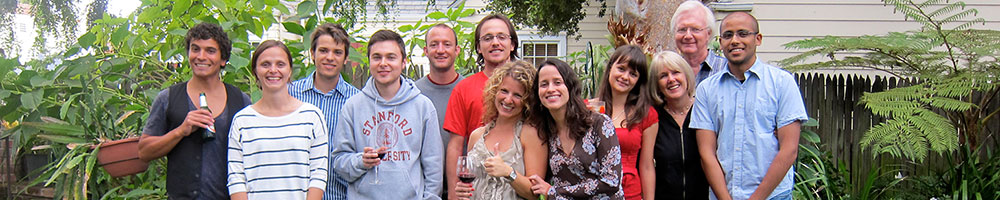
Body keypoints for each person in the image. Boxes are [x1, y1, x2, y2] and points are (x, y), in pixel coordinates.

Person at [691, 12, 808, 200]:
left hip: (774, 196)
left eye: (743, 33)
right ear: (721, 43)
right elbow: (706, 153)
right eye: (728, 35)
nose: (735, 40)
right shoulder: (707, 90)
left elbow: (789, 150)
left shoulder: (782, 83)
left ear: (758, 39)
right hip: (724, 195)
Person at [137, 22, 252, 199]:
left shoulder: (241, 101)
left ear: (223, 59)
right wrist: (180, 131)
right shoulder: (168, 98)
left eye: (210, 51)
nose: (201, 56)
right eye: (195, 49)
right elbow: (144, 152)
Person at [331, 30, 443, 200]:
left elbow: (433, 166)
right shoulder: (353, 106)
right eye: (377, 57)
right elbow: (339, 161)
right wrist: (361, 161)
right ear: (369, 62)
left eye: (391, 57)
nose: (383, 63)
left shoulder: (423, 106)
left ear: (403, 62)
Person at [227, 40, 328, 200]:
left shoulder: (312, 116)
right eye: (265, 64)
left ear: (289, 71)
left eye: (280, 64)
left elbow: (318, 175)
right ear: (255, 71)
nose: (273, 70)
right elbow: (236, 179)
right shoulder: (242, 121)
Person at [445, 14, 520, 200]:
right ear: (479, 47)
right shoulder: (463, 89)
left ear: (512, 44)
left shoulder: (529, 86)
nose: (495, 42)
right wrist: (455, 193)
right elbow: (455, 146)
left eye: (502, 37)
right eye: (488, 38)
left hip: (519, 184)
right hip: (479, 187)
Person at [527, 58, 624, 200]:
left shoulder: (599, 124)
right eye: (544, 84)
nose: (551, 89)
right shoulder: (544, 132)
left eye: (557, 82)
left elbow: (611, 181)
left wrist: (555, 192)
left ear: (570, 87)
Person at [453, 60, 547, 200]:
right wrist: (462, 191)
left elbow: (535, 194)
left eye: (517, 95)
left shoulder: (531, 135)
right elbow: (469, 184)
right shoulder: (477, 136)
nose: (508, 100)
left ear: (528, 101)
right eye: (504, 91)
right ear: (494, 91)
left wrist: (509, 172)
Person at [288, 22, 361, 200]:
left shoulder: (357, 101)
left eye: (337, 52)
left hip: (341, 195)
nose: (330, 57)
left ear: (345, 58)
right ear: (312, 54)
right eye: (323, 50)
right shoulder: (290, 94)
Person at [594, 45, 658, 200]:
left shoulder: (646, 114)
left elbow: (647, 166)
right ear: (610, 68)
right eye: (621, 69)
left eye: (633, 74)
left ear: (638, 80)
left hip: (629, 193)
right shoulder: (590, 109)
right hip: (594, 192)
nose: (625, 76)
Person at [648, 51, 708, 200]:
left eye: (676, 72)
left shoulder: (704, 112)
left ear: (686, 75)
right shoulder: (654, 118)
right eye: (663, 76)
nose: (671, 79)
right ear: (656, 84)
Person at [414, 24, 464, 195]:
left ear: (457, 50)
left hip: (463, 189)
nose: (440, 50)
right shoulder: (413, 94)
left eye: (447, 44)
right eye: (434, 45)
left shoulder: (469, 90)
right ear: (425, 51)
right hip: (423, 189)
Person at [671, 0, 727, 84]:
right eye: (682, 29)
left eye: (695, 29)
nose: (688, 36)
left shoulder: (726, 69)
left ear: (708, 33)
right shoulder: (669, 73)